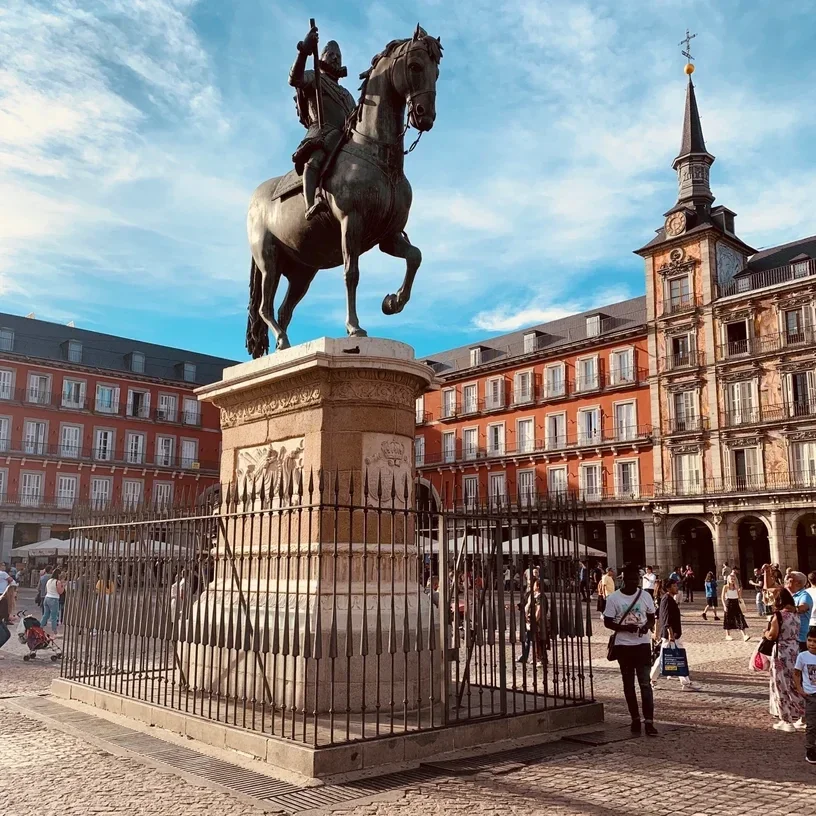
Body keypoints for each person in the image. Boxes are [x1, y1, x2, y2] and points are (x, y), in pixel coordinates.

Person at [288, 24, 356, 220]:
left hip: (344, 139)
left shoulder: (347, 94)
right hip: (322, 132)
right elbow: (295, 79)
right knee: (315, 158)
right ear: (322, 57)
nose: (335, 58)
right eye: (331, 54)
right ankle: (310, 204)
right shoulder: (314, 77)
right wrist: (304, 50)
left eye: (338, 56)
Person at [604, 562, 657, 736]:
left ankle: (649, 721)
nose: (634, 582)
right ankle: (634, 718)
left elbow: (651, 618)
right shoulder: (613, 599)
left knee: (645, 683)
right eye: (631, 579)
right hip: (623, 646)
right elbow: (607, 622)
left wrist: (646, 627)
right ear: (624, 579)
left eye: (636, 579)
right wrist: (625, 628)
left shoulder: (645, 596)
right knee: (628, 684)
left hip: (642, 645)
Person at [765, 588, 804, 732]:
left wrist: (766, 633)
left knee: (781, 685)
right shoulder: (795, 614)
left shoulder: (778, 615)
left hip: (781, 651)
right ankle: (803, 715)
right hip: (794, 650)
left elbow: (772, 635)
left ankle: (786, 720)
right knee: (795, 684)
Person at [650, 577, 694, 690]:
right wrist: (670, 633)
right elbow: (666, 618)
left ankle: (652, 679)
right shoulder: (666, 600)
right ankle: (685, 683)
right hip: (670, 635)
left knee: (673, 657)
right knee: (671, 657)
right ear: (668, 588)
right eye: (674, 586)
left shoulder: (670, 599)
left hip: (674, 634)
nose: (676, 588)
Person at [793, 629, 816, 763]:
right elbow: (796, 673)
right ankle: (810, 749)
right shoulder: (803, 656)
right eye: (809, 641)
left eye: (815, 641)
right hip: (811, 694)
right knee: (811, 724)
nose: (812, 644)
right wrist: (799, 688)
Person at [786, 571, 813, 652]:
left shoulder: (804, 595)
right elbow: (769, 587)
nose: (787, 582)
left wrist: (786, 608)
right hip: (790, 636)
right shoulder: (790, 594)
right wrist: (767, 572)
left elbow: (803, 608)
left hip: (800, 637)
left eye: (790, 580)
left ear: (798, 583)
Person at [721, 574, 750, 641]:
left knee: (740, 618)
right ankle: (728, 635)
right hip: (729, 603)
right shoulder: (725, 587)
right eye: (731, 579)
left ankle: (744, 635)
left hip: (736, 603)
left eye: (734, 579)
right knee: (728, 619)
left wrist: (739, 591)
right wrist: (724, 606)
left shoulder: (736, 587)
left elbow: (739, 597)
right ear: (728, 579)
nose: (733, 580)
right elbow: (722, 597)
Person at [40, 568, 64, 636]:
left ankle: (40, 627)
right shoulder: (58, 582)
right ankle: (55, 631)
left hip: (47, 598)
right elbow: (60, 592)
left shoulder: (49, 580)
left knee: (45, 615)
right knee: (54, 616)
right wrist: (63, 586)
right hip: (54, 599)